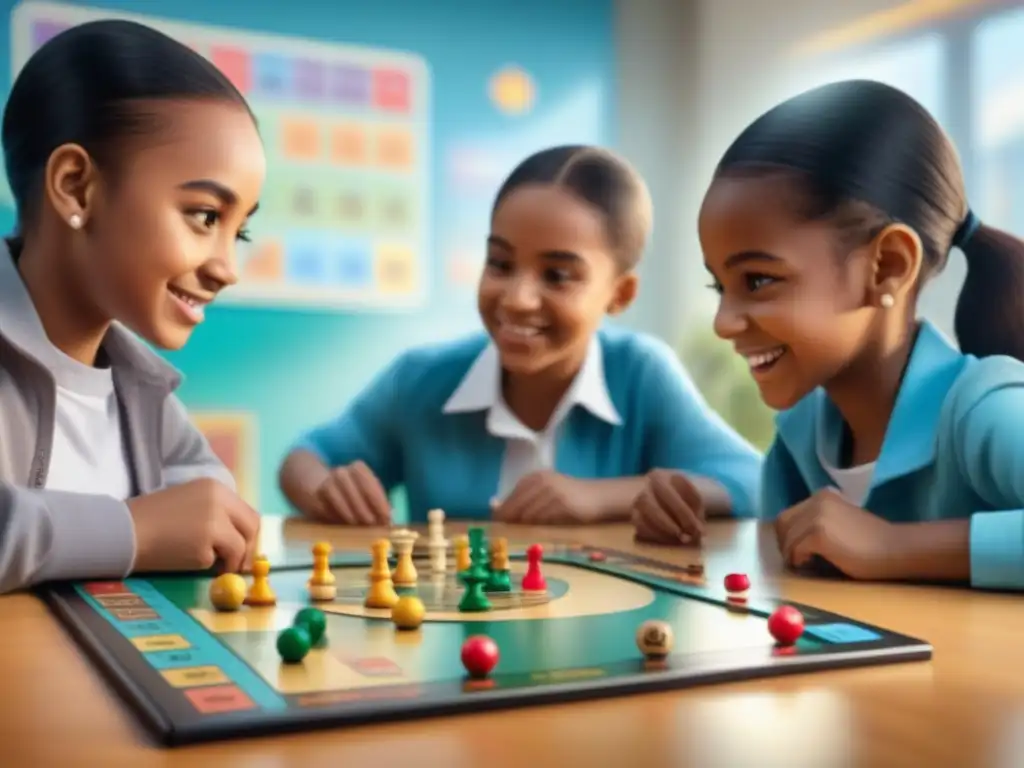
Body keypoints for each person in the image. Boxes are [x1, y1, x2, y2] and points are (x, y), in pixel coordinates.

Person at [279, 145, 762, 536]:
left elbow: (753, 481)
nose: (517, 299)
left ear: (620, 294)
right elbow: (303, 458)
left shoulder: (640, 374)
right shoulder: (422, 379)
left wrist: (598, 497)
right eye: (500, 264)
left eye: (557, 275)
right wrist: (324, 487)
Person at [682, 78, 1024, 591]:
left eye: (757, 280)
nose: (724, 322)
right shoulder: (799, 438)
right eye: (720, 286)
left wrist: (891, 546)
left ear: (887, 266)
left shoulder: (981, 409)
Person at [0, 20, 265, 594]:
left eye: (238, 232)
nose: (227, 268)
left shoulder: (138, 384)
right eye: (204, 216)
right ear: (76, 187)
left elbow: (203, 490)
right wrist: (133, 532)